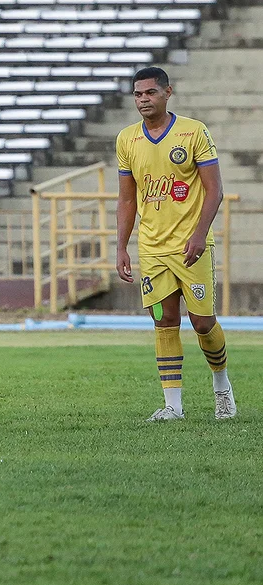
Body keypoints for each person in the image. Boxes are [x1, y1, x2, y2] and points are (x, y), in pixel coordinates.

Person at [115, 66, 235, 421]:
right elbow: (126, 199)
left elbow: (215, 189)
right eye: (138, 94)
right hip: (152, 249)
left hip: (191, 246)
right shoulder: (127, 139)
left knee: (202, 323)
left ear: (168, 93)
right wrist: (121, 246)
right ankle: (173, 406)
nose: (143, 100)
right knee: (164, 321)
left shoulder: (193, 131)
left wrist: (199, 235)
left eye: (150, 93)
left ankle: (222, 388)